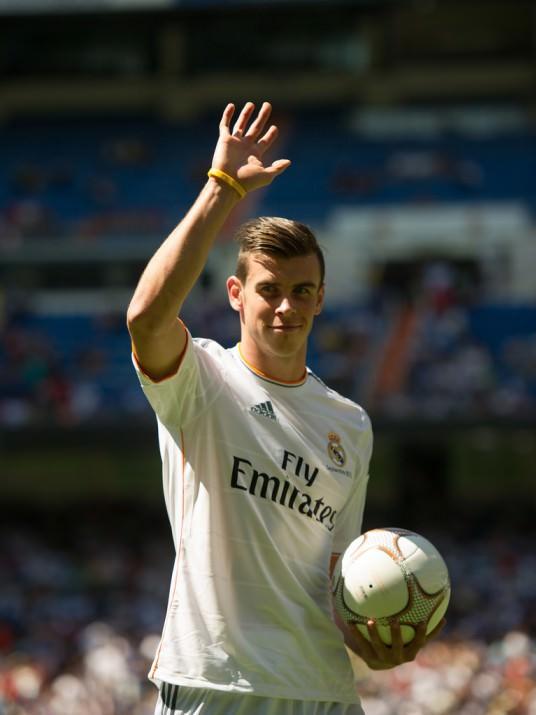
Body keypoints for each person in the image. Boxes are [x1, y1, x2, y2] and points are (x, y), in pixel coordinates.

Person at [127, 102, 443, 715]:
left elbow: (339, 574)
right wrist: (221, 188)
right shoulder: (202, 379)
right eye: (268, 290)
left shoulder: (350, 423)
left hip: (323, 693)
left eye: (301, 292)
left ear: (320, 299)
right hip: (215, 685)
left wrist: (374, 643)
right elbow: (145, 319)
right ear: (236, 294)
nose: (285, 307)